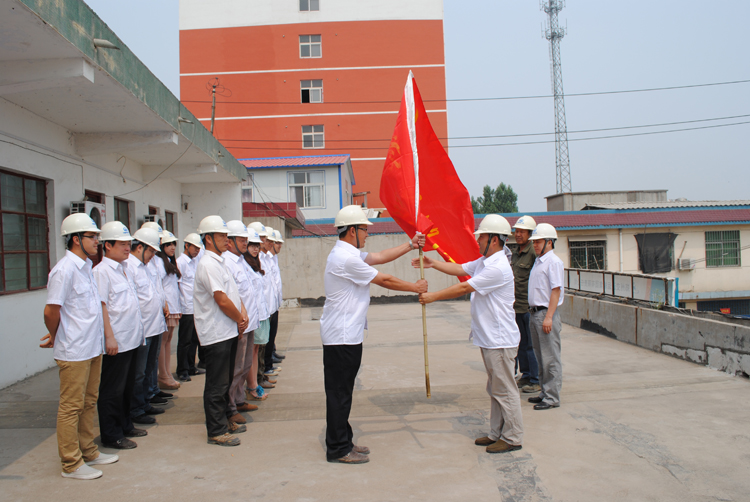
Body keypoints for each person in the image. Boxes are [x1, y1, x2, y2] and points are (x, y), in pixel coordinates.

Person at [320, 205, 427, 464]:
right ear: (352, 231)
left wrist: (410, 245)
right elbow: (385, 280)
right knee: (340, 393)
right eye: (364, 229)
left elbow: (379, 257)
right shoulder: (345, 259)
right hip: (341, 337)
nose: (367, 233)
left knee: (342, 391)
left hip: (347, 334)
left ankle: (344, 440)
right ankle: (338, 449)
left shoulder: (349, 253)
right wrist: (415, 287)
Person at [417, 215, 524, 454]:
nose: (478, 240)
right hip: (490, 339)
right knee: (495, 389)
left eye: (482, 237)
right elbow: (460, 268)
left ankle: (513, 437)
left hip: (500, 340)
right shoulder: (485, 261)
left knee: (505, 390)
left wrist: (433, 296)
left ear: (494, 240)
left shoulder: (498, 268)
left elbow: (465, 286)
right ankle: (496, 433)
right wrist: (432, 263)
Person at [41, 213, 119, 480]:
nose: (97, 241)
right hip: (74, 350)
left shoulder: (86, 267)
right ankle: (71, 463)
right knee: (71, 406)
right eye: (92, 236)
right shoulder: (64, 270)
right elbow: (51, 311)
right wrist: (56, 335)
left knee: (88, 402)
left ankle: (89, 451)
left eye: (97, 236)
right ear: (76, 239)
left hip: (91, 347)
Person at [193, 215, 249, 446]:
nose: (227, 239)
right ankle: (216, 431)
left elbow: (233, 293)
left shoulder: (220, 262)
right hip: (216, 333)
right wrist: (240, 318)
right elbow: (222, 300)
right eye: (222, 235)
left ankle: (225, 420)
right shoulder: (207, 264)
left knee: (225, 382)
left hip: (228, 330)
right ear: (208, 238)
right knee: (216, 384)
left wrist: (241, 314)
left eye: (227, 235)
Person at [93, 222, 147, 450]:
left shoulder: (123, 268)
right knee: (112, 390)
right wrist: (109, 337)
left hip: (131, 338)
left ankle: (125, 425)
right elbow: (102, 306)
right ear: (107, 245)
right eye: (123, 244)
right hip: (117, 341)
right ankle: (111, 434)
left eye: (128, 244)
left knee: (126, 387)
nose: (127, 248)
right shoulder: (101, 272)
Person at [128, 227, 168, 425]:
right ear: (140, 247)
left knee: (149, 367)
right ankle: (135, 409)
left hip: (155, 325)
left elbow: (155, 291)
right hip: (142, 329)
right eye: (151, 250)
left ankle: (145, 401)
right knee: (139, 372)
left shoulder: (146, 266)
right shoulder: (130, 267)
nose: (153, 255)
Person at [223, 220, 260, 426]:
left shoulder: (240, 261)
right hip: (239, 324)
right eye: (241, 239)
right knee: (236, 368)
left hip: (249, 321)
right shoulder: (227, 263)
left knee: (244, 366)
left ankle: (238, 399)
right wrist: (239, 320)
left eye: (246, 239)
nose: (245, 243)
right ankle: (230, 407)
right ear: (229, 241)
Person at [526, 223, 565, 411]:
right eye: (534, 242)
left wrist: (549, 317)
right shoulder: (539, 261)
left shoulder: (553, 262)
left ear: (549, 242)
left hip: (545, 313)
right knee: (540, 356)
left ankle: (552, 397)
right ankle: (544, 391)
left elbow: (556, 291)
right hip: (535, 313)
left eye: (538, 241)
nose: (535, 245)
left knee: (550, 358)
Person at [511, 216, 540, 394]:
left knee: (531, 345)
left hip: (529, 307)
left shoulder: (533, 253)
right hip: (516, 306)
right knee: (520, 344)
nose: (518, 234)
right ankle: (526, 375)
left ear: (530, 234)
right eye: (517, 231)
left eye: (522, 231)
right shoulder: (515, 253)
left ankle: (536, 380)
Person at [243, 226, 270, 402]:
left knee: (255, 350)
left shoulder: (255, 263)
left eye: (257, 245)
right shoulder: (244, 265)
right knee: (250, 352)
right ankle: (252, 386)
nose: (255, 248)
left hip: (260, 313)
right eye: (251, 245)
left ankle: (254, 384)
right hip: (251, 315)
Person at [154, 230, 182, 389]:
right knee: (163, 341)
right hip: (166, 307)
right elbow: (159, 286)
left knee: (168, 340)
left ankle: (167, 373)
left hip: (173, 306)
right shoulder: (158, 262)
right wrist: (165, 305)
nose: (172, 247)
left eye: (173, 244)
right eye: (168, 244)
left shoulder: (170, 261)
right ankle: (163, 375)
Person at [176, 233, 204, 382]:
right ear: (186, 245)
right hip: (186, 307)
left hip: (195, 306)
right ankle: (182, 369)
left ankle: (191, 366)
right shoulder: (180, 262)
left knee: (194, 339)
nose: (197, 251)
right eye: (194, 248)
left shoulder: (194, 262)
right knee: (185, 341)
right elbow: (177, 285)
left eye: (199, 248)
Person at [261, 226, 281, 380]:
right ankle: (265, 368)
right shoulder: (259, 260)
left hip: (272, 305)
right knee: (262, 343)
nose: (271, 243)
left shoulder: (269, 259)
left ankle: (268, 365)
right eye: (267, 240)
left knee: (270, 337)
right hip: (265, 308)